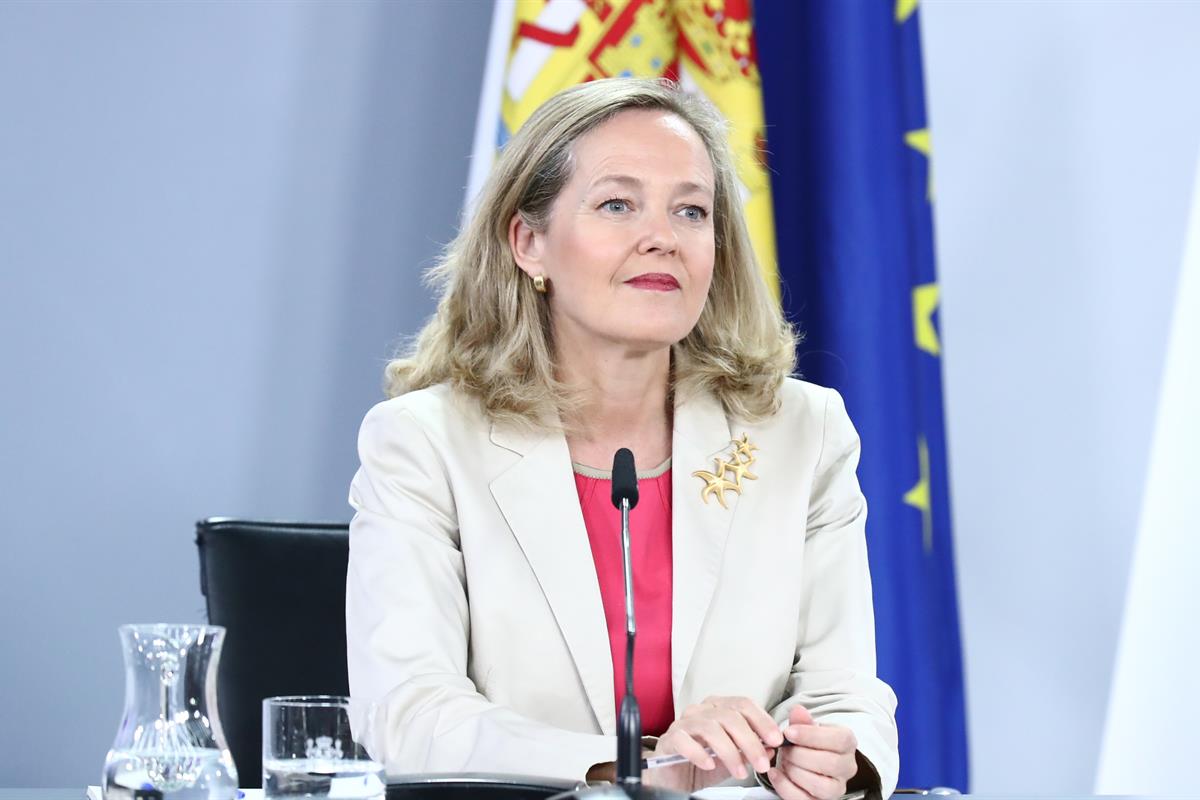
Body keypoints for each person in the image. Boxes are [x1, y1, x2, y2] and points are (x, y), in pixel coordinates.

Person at [345, 78, 898, 800]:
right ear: (529, 242)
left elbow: (846, 693)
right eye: (617, 204)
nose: (662, 237)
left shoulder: (802, 433)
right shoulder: (424, 444)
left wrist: (831, 758)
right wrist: (639, 765)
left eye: (691, 211)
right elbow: (410, 718)